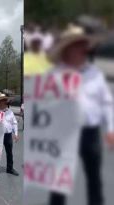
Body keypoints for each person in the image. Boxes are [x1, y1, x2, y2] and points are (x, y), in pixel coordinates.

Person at [48, 25, 114, 205]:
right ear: (67, 49)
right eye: (76, 45)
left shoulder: (95, 74)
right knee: (59, 181)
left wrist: (110, 129)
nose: (81, 49)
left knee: (94, 180)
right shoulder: (55, 75)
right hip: (64, 133)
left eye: (83, 45)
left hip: (90, 134)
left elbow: (107, 102)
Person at [0, 94, 19, 178]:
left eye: (5, 101)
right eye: (3, 101)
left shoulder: (10, 112)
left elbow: (14, 123)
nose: (5, 102)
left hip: (8, 135)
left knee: (9, 152)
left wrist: (16, 134)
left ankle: (9, 168)